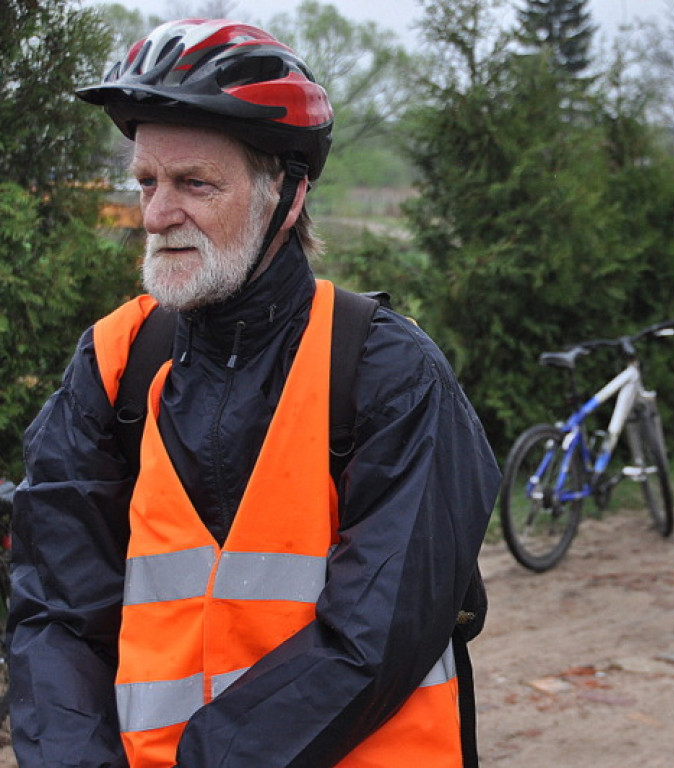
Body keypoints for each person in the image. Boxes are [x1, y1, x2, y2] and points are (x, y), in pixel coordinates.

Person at [8, 18, 500, 768]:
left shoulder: (388, 371)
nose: (156, 214)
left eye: (194, 183)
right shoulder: (112, 364)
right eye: (147, 181)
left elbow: (372, 639)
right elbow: (56, 616)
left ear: (288, 192)